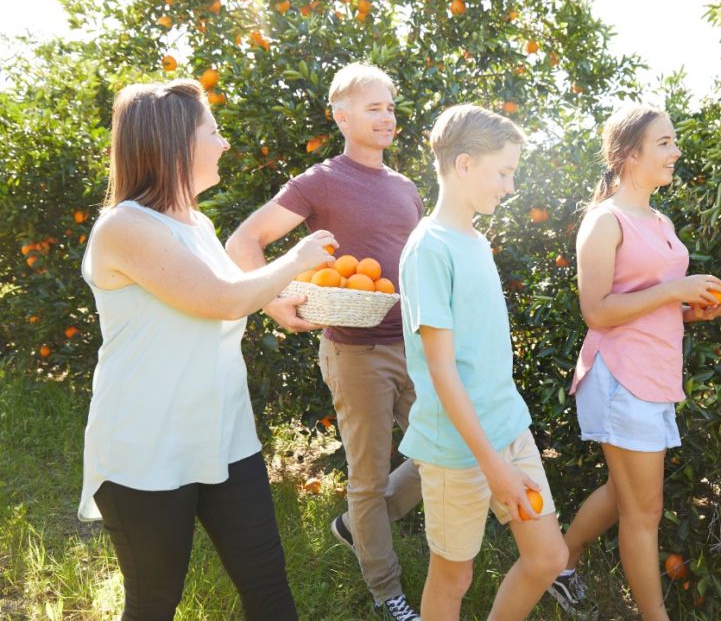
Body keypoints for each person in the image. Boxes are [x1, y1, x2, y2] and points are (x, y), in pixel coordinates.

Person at [79, 79, 338, 621]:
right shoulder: (124, 226)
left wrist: (273, 302)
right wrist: (297, 260)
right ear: (174, 142)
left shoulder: (197, 223)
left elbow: (216, 289)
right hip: (145, 448)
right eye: (213, 132)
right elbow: (219, 299)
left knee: (268, 588)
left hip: (223, 436)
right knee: (154, 602)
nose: (224, 144)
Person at [225, 63, 423, 620]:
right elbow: (245, 241)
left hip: (412, 345)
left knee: (449, 449)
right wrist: (272, 302)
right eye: (372, 107)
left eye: (389, 106)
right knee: (368, 475)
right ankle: (388, 593)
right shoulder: (321, 180)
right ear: (340, 115)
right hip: (354, 351)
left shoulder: (406, 188)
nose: (386, 116)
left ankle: (353, 527)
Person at [547, 105, 721, 620]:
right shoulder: (605, 221)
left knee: (623, 491)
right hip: (620, 375)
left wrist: (696, 310)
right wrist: (675, 289)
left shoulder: (660, 219)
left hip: (653, 372)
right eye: (665, 143)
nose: (677, 152)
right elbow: (597, 311)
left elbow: (656, 305)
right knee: (643, 510)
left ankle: (560, 563)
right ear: (630, 154)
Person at [398, 104, 567, 621]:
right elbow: (442, 370)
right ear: (465, 164)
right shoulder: (428, 248)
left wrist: (503, 454)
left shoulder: (476, 240)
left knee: (548, 557)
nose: (510, 186)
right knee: (454, 578)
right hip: (457, 450)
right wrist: (493, 468)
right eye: (503, 172)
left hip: (507, 427)